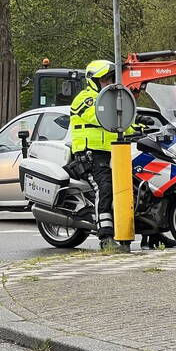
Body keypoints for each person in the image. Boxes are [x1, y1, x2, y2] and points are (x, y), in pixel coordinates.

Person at [70, 60, 120, 249]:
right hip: (89, 155)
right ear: (94, 81)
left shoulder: (112, 100)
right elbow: (98, 116)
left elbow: (124, 124)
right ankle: (106, 238)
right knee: (104, 187)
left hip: (112, 155)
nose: (108, 83)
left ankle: (154, 234)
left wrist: (141, 126)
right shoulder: (86, 98)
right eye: (105, 79)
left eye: (110, 79)